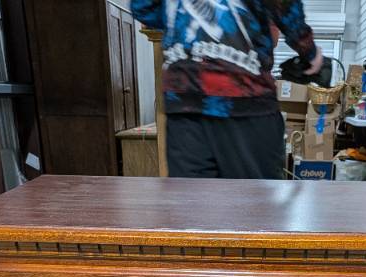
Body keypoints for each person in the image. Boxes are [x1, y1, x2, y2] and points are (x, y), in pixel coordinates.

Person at [131, 0, 322, 179]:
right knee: (256, 205)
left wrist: (186, 33)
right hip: (244, 99)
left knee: (190, 207)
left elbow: (143, 8)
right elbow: (284, 6)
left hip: (184, 100)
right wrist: (309, 52)